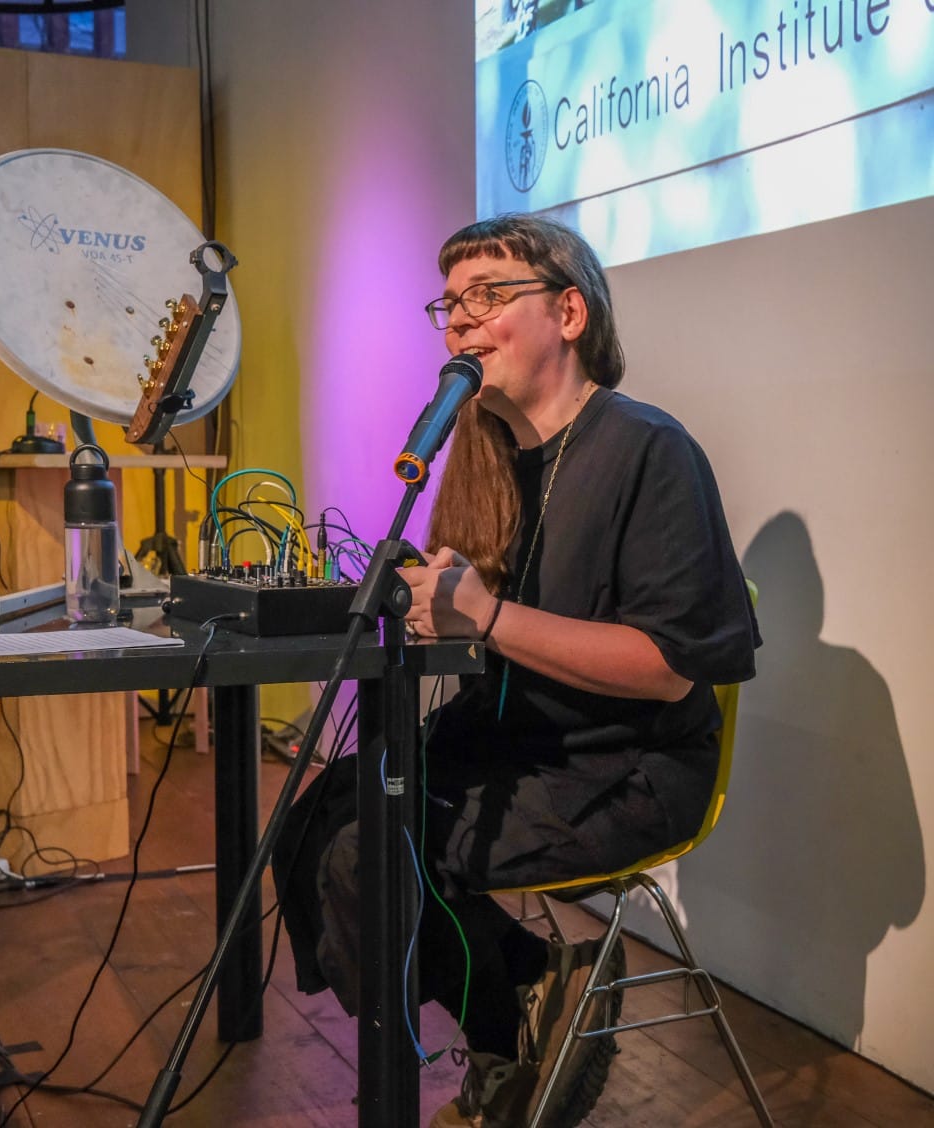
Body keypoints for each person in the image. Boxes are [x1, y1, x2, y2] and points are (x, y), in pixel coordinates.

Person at [272, 213, 760, 1127]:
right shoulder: (485, 457)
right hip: (501, 747)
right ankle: (535, 983)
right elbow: (473, 624)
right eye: (448, 305)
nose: (459, 321)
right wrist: (426, 605)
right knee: (312, 830)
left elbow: (666, 670)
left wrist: (485, 616)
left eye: (489, 296)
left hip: (622, 766)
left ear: (570, 313)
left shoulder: (651, 451)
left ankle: (503, 1025)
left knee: (368, 855)